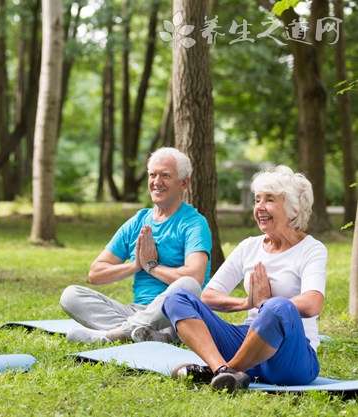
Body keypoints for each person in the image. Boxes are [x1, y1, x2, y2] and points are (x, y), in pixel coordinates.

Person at [164, 165, 327, 392]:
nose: (260, 207)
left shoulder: (311, 249)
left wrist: (266, 305)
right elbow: (209, 296)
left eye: (269, 200)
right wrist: (247, 303)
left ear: (294, 209)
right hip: (247, 341)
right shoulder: (249, 246)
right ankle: (223, 371)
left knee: (278, 306)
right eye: (257, 200)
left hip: (291, 357)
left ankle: (223, 371)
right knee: (176, 298)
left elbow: (312, 304)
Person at [60, 147, 212, 344]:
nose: (156, 182)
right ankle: (145, 334)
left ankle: (116, 334)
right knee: (71, 295)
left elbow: (195, 277)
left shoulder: (194, 223)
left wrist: (152, 267)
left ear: (184, 182)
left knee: (187, 285)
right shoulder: (138, 220)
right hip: (137, 310)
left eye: (165, 175)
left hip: (175, 313)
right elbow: (95, 273)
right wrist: (136, 265)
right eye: (152, 175)